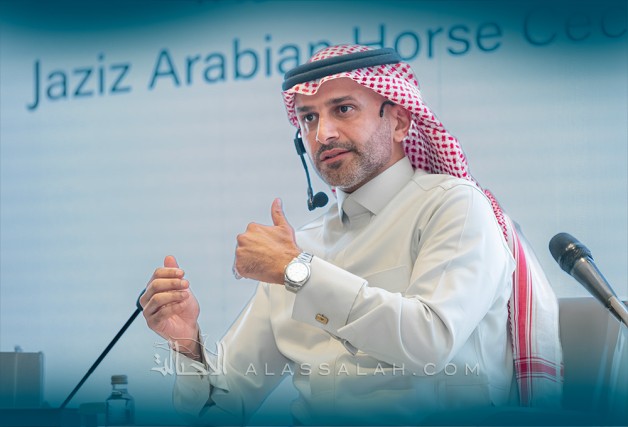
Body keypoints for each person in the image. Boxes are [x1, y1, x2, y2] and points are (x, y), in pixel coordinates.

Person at [140, 44, 563, 425]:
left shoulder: (454, 206)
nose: (322, 134)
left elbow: (430, 343)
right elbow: (222, 409)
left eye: (343, 109)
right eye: (309, 118)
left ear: (399, 121)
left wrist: (298, 272)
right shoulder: (301, 247)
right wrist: (186, 343)